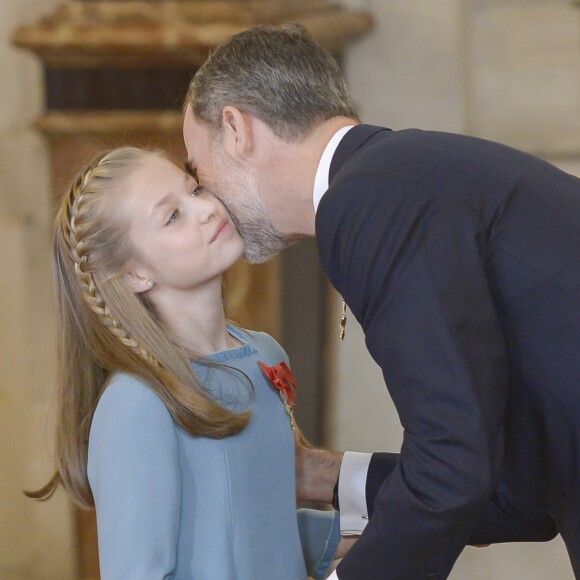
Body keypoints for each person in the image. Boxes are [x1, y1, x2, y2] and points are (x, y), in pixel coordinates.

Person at [181, 23, 580, 580]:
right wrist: (319, 474)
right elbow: (514, 490)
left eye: (197, 173)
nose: (205, 201)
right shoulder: (395, 174)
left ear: (236, 128)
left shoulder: (367, 201)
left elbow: (453, 466)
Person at [26, 146, 350, 579]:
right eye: (172, 216)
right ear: (135, 274)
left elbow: (257, 530)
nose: (204, 209)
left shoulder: (265, 354)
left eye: (194, 189)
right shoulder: (137, 404)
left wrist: (403, 528)